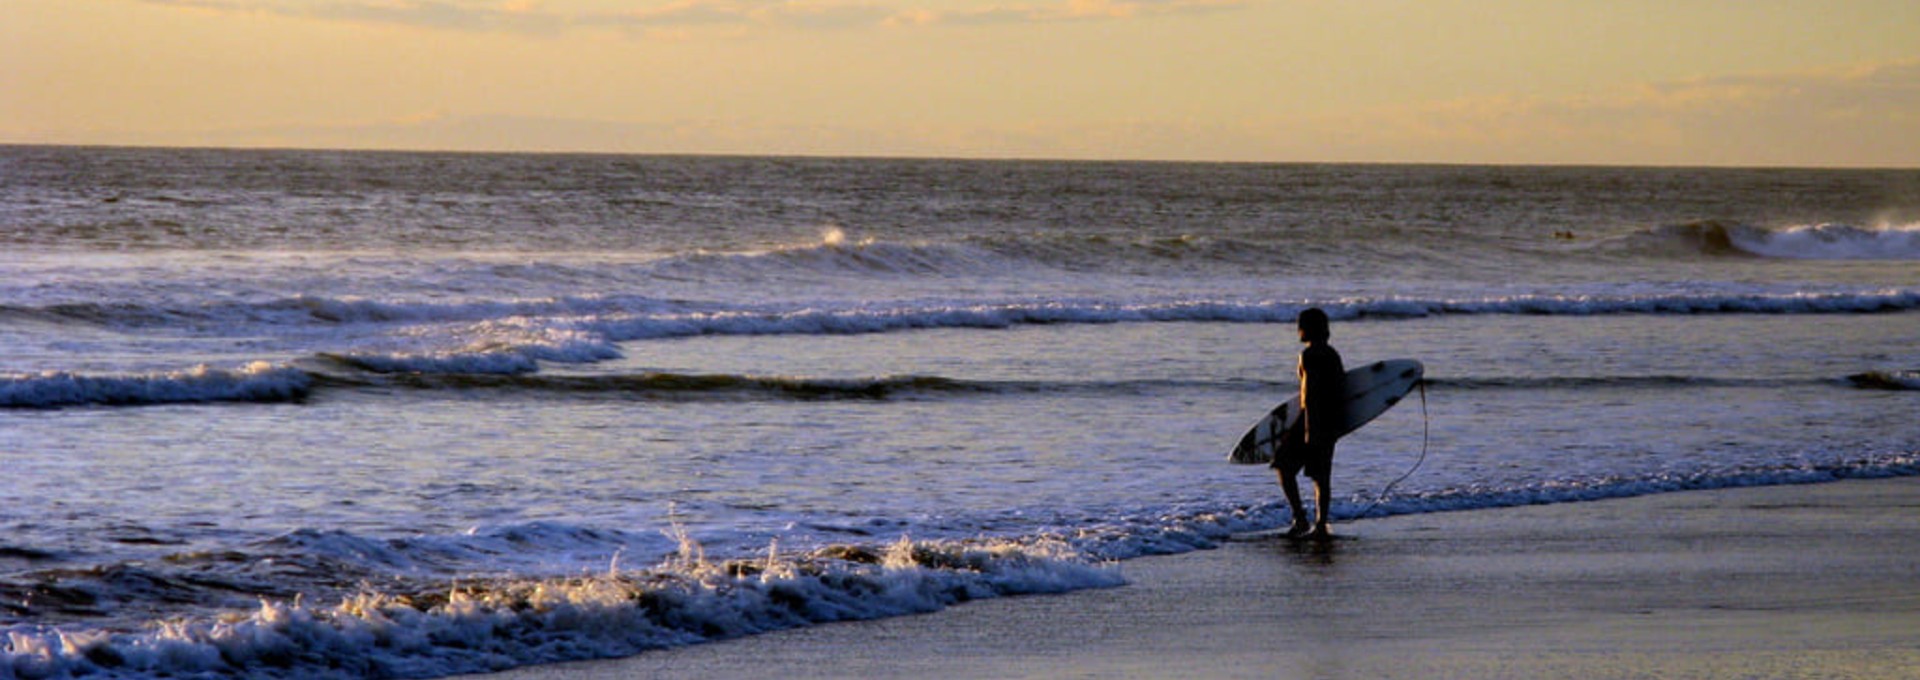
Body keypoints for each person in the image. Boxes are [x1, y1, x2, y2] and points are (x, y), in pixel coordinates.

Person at [1275, 307, 1345, 538]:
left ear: (1308, 328)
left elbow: (1312, 396)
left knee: (1284, 466)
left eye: (1300, 326)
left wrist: (1304, 429)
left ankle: (1302, 519)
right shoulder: (1332, 354)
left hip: (1313, 421)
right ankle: (1321, 524)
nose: (1298, 331)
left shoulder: (1310, 355)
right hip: (1329, 420)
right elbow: (1339, 389)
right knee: (1321, 476)